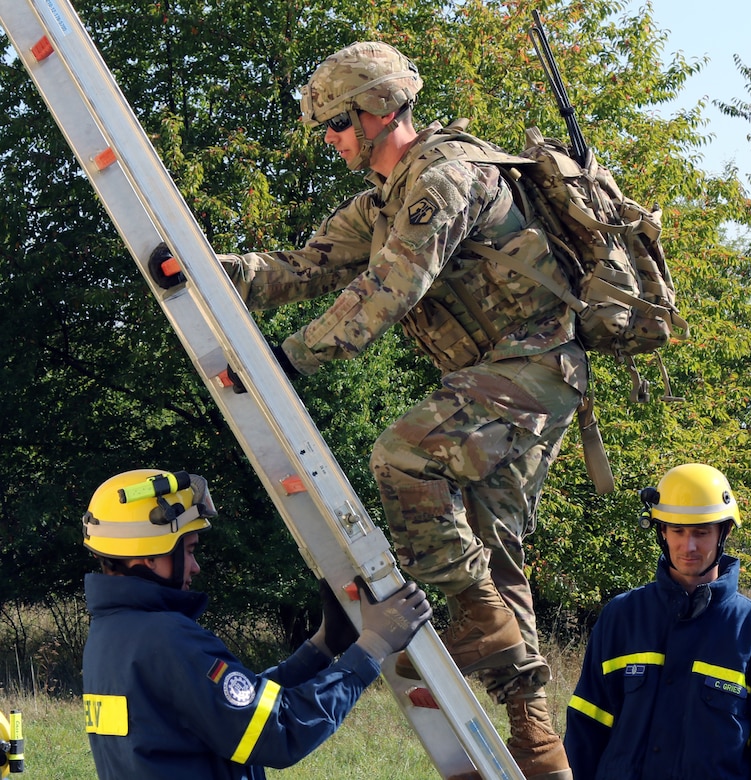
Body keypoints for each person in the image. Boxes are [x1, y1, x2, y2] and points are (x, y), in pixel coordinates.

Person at [183, 39, 588, 780]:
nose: (330, 140)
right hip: (501, 375)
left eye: (336, 123)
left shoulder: (445, 178)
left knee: (403, 455)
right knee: (495, 554)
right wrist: (209, 271)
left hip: (535, 365)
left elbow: (392, 288)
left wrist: (290, 357)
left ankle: (484, 626)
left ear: (375, 110)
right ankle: (538, 747)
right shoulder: (381, 201)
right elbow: (303, 267)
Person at [81, 468, 432, 780]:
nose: (195, 567)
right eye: (189, 550)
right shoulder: (166, 639)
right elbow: (279, 731)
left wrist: (322, 647)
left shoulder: (111, 637)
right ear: (150, 555)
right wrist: (373, 647)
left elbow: (232, 709)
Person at [564, 463, 751, 780]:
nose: (688, 546)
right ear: (661, 531)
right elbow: (585, 732)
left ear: (724, 533)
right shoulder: (621, 616)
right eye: (677, 531)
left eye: (701, 532)